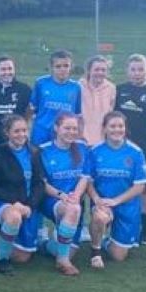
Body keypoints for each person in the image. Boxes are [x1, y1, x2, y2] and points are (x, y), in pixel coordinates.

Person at [114, 54, 146, 244]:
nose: (137, 73)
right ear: (127, 71)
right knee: (120, 185)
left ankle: (145, 230)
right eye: (133, 69)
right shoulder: (118, 91)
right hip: (121, 148)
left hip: (145, 150)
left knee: (145, 189)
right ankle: (118, 226)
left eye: (140, 69)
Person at [87, 112, 146, 268]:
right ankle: (95, 251)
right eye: (112, 126)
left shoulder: (136, 152)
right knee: (100, 218)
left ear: (125, 128)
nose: (117, 130)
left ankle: (108, 241)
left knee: (118, 256)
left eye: (120, 126)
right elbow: (88, 181)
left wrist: (116, 201)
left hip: (127, 206)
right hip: (103, 203)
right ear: (104, 129)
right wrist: (96, 199)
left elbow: (139, 187)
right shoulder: (95, 151)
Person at [0, 114, 46, 275]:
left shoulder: (34, 152)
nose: (21, 135)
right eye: (16, 131)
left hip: (27, 205)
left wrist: (29, 205)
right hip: (3, 203)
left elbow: (39, 183)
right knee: (14, 216)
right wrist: (15, 202)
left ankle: (0, 240)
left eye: (24, 130)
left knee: (23, 257)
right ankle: (2, 260)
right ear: (7, 133)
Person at [37, 113, 90, 276]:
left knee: (71, 249)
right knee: (73, 209)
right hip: (51, 200)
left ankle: (43, 244)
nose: (71, 132)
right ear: (56, 128)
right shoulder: (43, 150)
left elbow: (85, 177)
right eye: (67, 128)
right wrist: (61, 195)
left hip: (73, 200)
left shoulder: (82, 148)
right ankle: (63, 262)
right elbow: (42, 183)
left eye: (75, 128)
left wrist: (75, 195)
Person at [29, 50, 82, 145]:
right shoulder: (41, 83)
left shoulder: (76, 87)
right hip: (42, 133)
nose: (62, 69)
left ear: (71, 67)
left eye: (66, 66)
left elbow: (77, 113)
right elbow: (33, 108)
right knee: (37, 158)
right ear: (51, 67)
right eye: (58, 66)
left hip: (64, 134)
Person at [0, 56, 31, 150]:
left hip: (15, 141)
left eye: (10, 69)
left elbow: (29, 113)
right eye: (3, 69)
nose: (7, 72)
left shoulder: (24, 89)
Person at [79, 55, 116, 146]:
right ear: (89, 71)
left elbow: (111, 113)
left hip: (103, 142)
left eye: (103, 70)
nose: (100, 73)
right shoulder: (79, 87)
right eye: (96, 69)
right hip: (81, 140)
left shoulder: (111, 89)